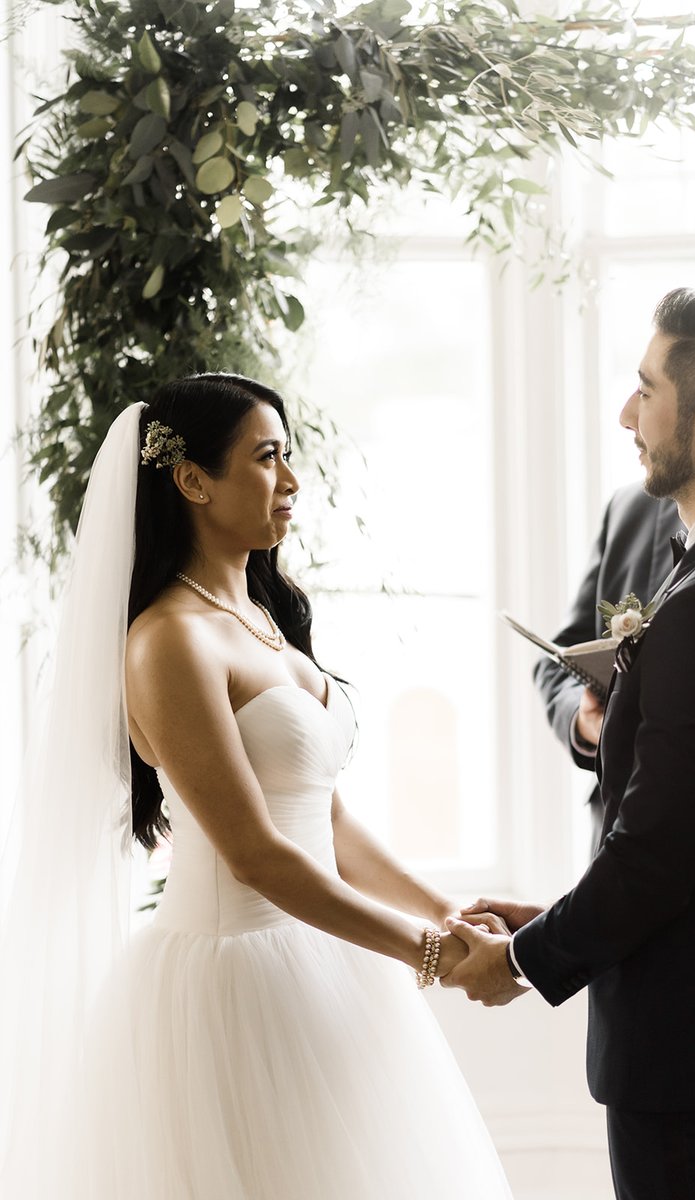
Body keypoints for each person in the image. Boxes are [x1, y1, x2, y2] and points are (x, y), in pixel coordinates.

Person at [0, 375, 513, 1199]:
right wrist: (426, 952)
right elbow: (253, 855)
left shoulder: (266, 616)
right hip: (234, 983)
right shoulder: (168, 640)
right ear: (193, 480)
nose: (292, 480)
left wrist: (441, 913)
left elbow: (328, 818)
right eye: (266, 457)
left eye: (288, 455)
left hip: (327, 959)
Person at [443, 288, 695, 1199]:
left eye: (646, 389)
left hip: (693, 1049)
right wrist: (560, 911)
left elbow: (659, 852)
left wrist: (523, 961)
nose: (625, 414)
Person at [535, 424, 695, 851]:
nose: (631, 416)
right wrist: (586, 724)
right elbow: (562, 653)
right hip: (619, 848)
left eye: (650, 389)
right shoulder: (630, 506)